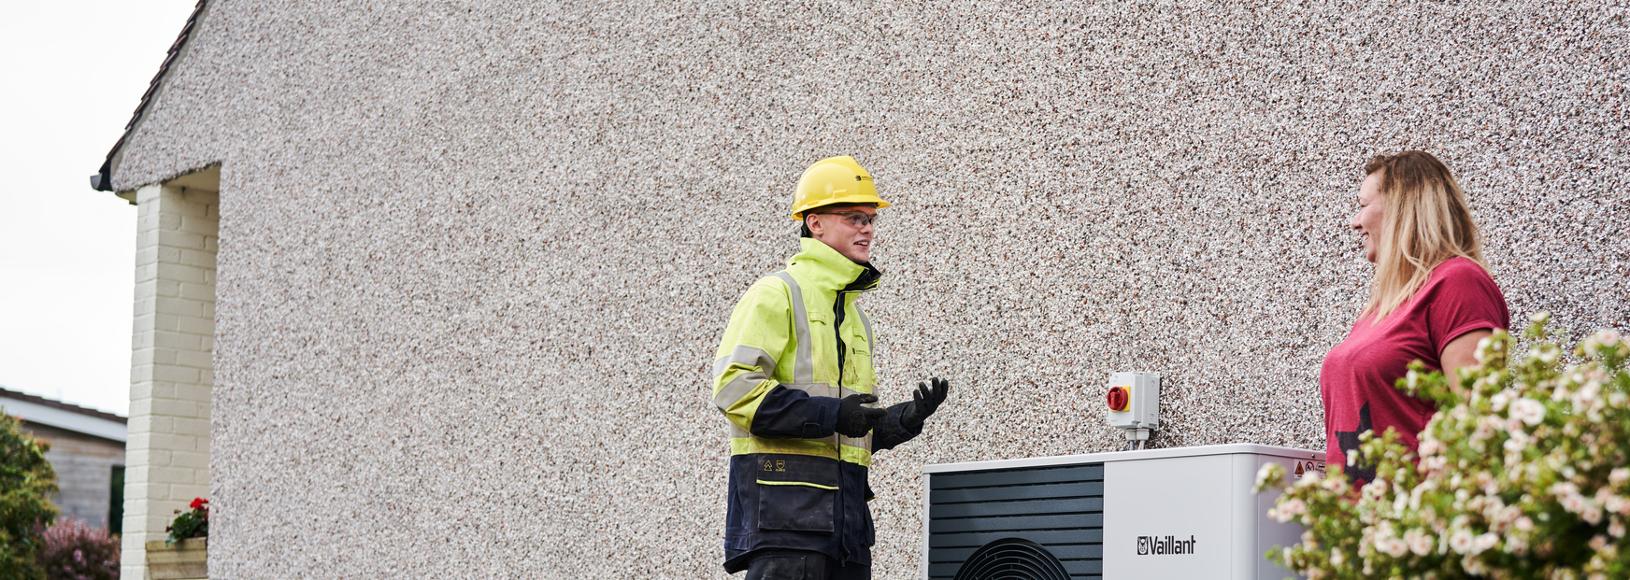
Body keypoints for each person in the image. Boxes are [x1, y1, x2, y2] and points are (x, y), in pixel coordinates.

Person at [710, 155, 951, 579]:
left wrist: (899, 422)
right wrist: (833, 414)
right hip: (786, 525)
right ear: (814, 222)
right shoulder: (776, 294)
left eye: (872, 219)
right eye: (854, 216)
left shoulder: (855, 319)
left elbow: (846, 432)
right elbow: (735, 390)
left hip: (846, 534)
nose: (868, 228)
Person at [1321, 150, 1509, 483]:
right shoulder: (1379, 311)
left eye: (1362, 206)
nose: (1354, 222)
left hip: (1414, 520)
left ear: (1400, 208)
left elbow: (1479, 424)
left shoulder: (1458, 283)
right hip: (1352, 522)